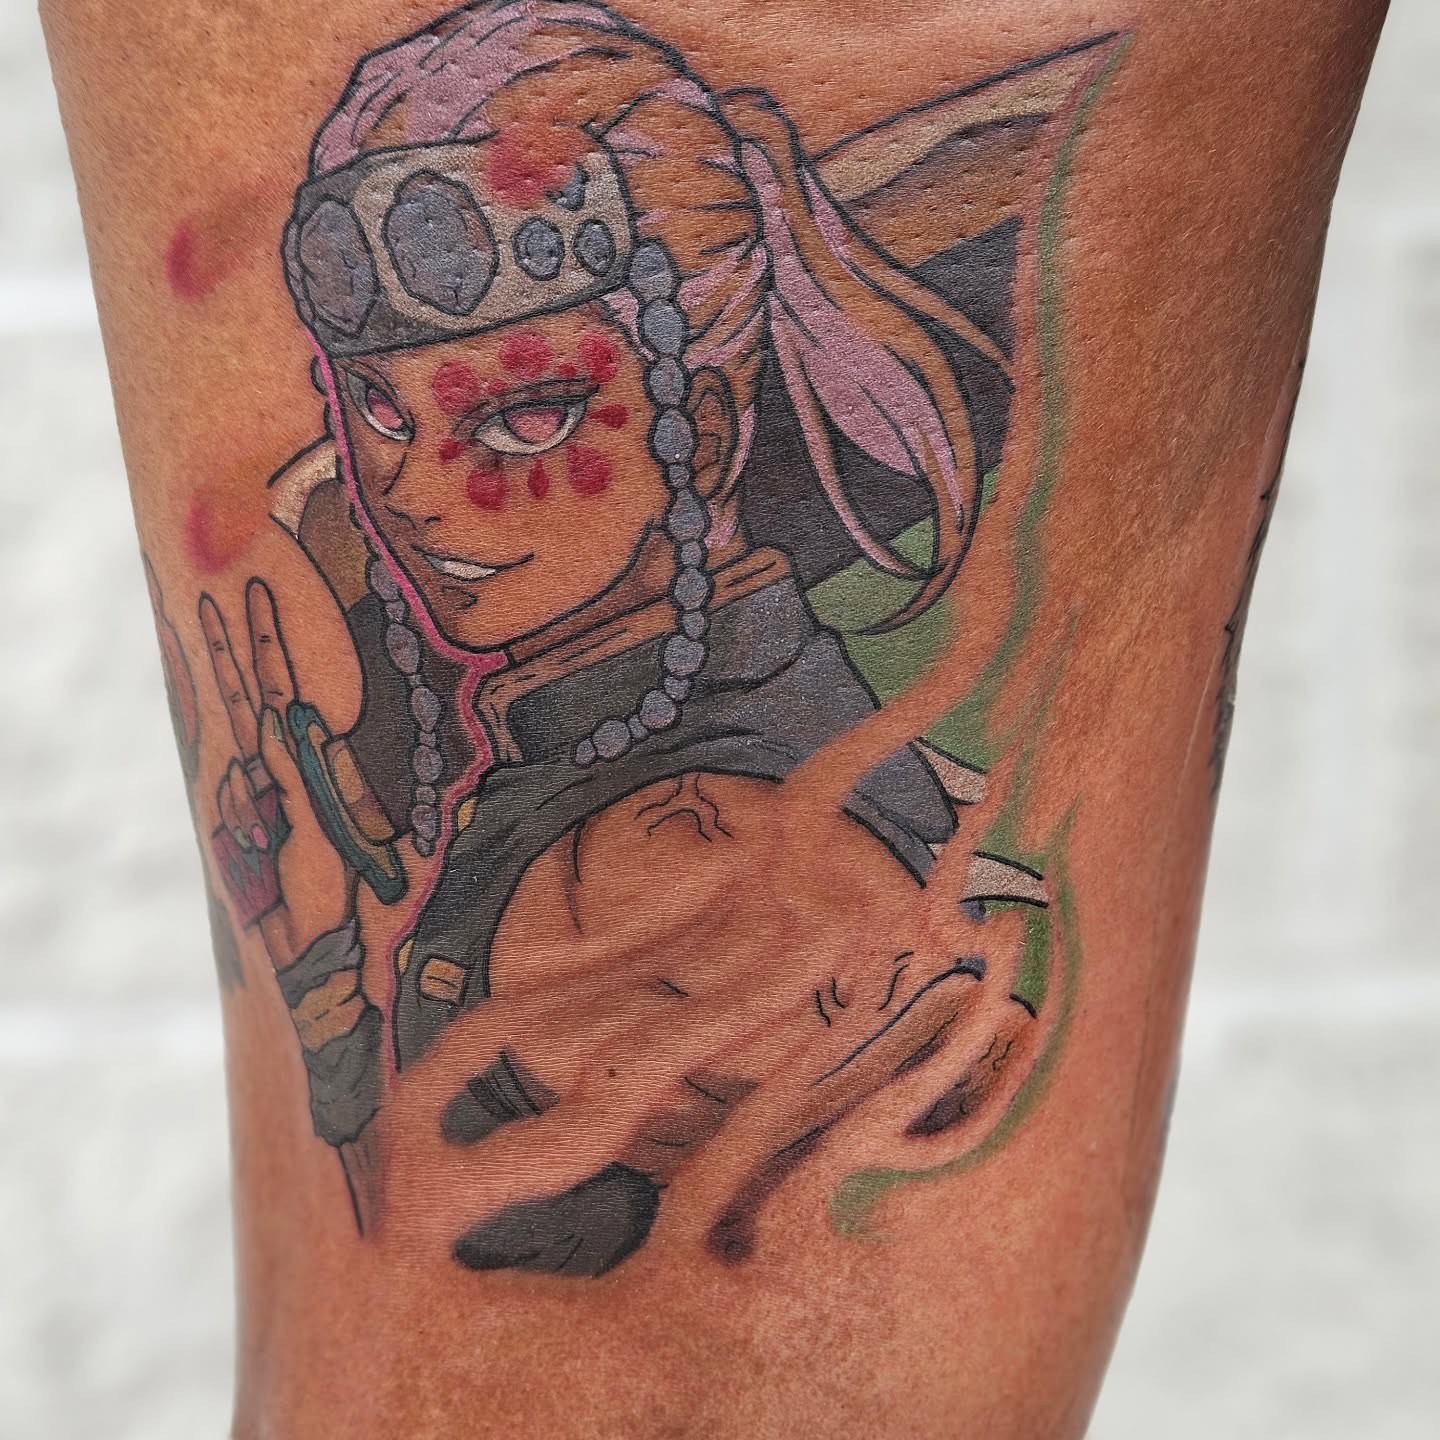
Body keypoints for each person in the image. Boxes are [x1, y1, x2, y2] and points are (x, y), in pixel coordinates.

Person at [40, 0, 1389, 1433]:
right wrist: (323, 982)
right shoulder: (599, 763)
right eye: (379, 415)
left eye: (526, 418)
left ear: (712, 427)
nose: (416, 497)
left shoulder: (701, 850)